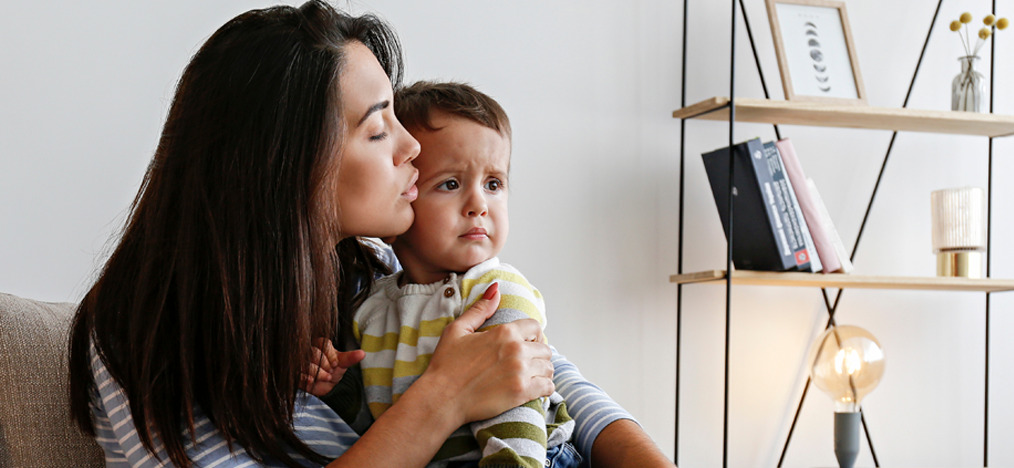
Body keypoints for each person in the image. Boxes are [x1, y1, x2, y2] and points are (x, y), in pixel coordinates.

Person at [66, 2, 675, 467]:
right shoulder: (141, 340)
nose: (413, 149)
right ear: (287, 163)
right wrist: (443, 396)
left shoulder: (374, 267)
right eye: (379, 130)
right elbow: (476, 378)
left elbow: (537, 367)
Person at [307, 81, 574, 468]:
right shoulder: (370, 309)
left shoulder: (497, 290)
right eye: (450, 184)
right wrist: (332, 390)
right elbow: (372, 426)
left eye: (493, 183)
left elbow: (522, 398)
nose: (479, 205)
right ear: (406, 191)